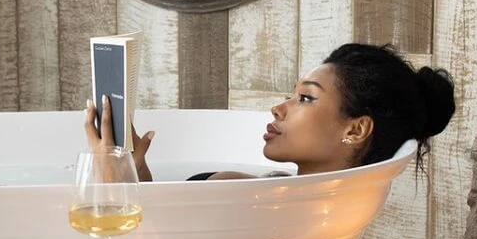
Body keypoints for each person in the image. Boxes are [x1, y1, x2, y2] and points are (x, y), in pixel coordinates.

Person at [84, 43, 455, 181]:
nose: (279, 108)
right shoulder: (279, 200)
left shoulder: (255, 201)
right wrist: (133, 168)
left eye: (306, 99)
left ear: (356, 130)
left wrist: (111, 176)